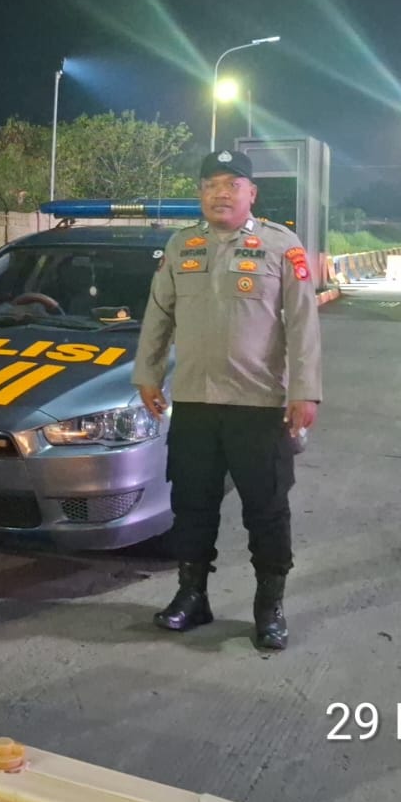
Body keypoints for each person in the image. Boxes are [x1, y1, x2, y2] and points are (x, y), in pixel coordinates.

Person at [131, 149, 323, 652]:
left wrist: (305, 390)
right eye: (211, 184)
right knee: (191, 505)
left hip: (258, 404)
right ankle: (192, 596)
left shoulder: (281, 245)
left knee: (267, 509)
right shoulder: (182, 245)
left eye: (232, 184)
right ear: (200, 192)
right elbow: (159, 314)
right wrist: (148, 374)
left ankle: (269, 607)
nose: (221, 193)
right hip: (195, 401)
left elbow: (303, 322)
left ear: (251, 193)